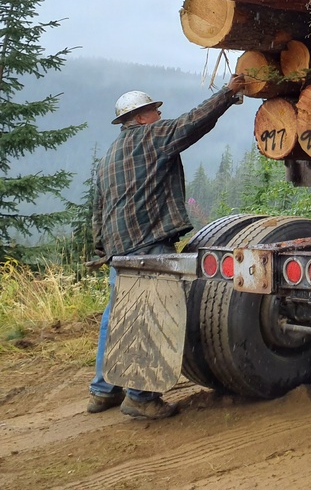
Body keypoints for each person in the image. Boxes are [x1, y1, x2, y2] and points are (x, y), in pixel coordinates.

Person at [87, 74, 246, 419]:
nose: (160, 116)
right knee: (153, 313)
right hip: (149, 245)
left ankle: (103, 390)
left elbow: (98, 210)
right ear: (142, 117)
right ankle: (141, 397)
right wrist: (228, 93)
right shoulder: (153, 137)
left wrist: (104, 249)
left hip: (120, 249)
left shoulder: (109, 156)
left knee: (116, 317)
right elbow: (193, 122)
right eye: (155, 111)